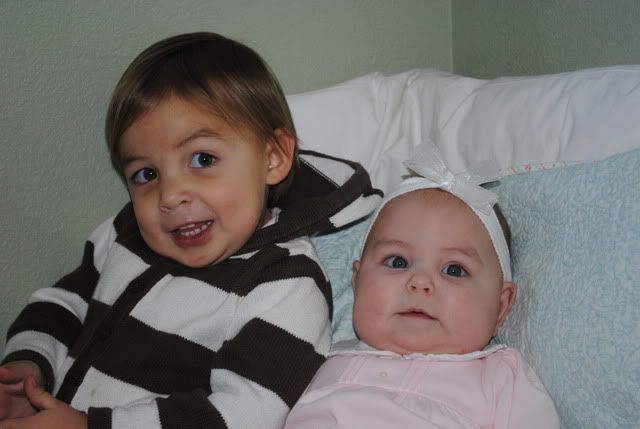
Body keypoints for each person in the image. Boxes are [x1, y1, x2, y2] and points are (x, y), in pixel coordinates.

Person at [0, 32, 380, 429]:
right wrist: (29, 368)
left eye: (202, 159)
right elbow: (64, 303)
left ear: (272, 158)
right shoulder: (126, 234)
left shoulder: (284, 282)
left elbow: (246, 415)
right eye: (146, 174)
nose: (170, 195)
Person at [284, 146, 560, 428]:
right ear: (358, 282)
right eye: (398, 262)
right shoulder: (314, 357)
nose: (420, 282)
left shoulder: (501, 377)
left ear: (500, 307)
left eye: (454, 270)